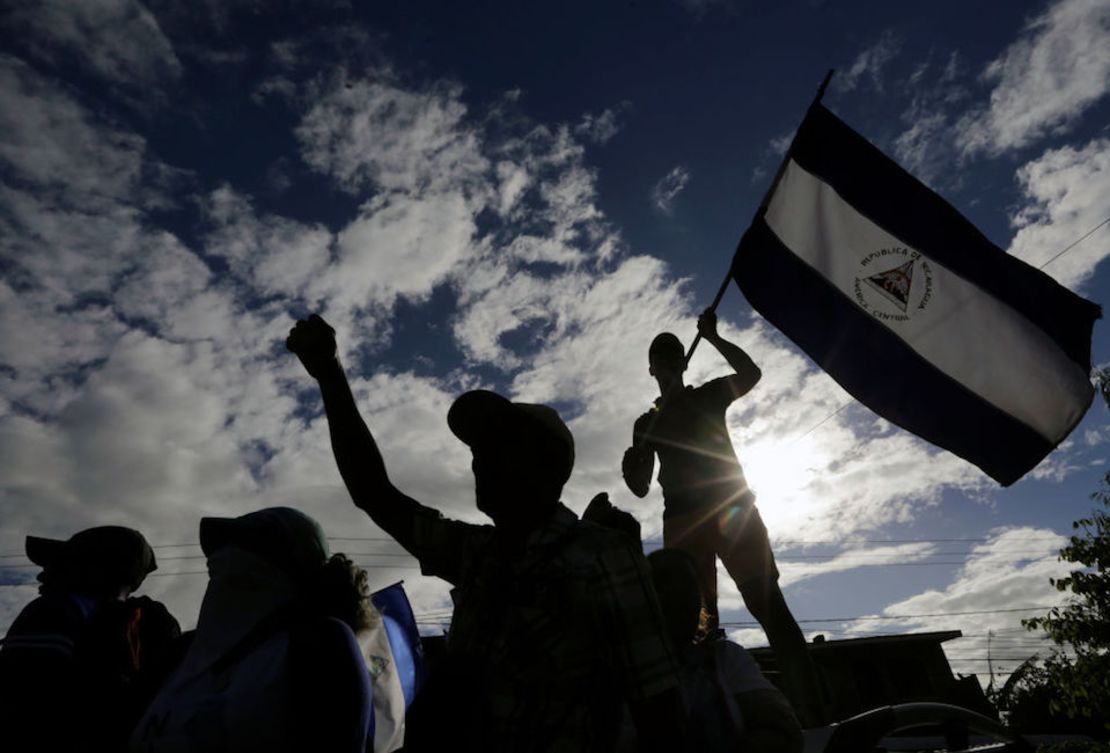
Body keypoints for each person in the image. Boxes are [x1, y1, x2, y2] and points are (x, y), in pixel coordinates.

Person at [287, 313, 685, 753]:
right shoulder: (476, 552)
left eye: (499, 444)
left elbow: (659, 714)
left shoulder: (605, 558)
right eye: (478, 447)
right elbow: (374, 494)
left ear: (546, 465)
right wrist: (329, 372)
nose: (479, 458)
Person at [621, 309, 825, 726]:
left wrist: (712, 336)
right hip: (683, 523)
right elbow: (640, 487)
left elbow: (751, 373)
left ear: (682, 361)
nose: (666, 360)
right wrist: (633, 468)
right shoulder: (646, 423)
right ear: (651, 368)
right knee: (696, 625)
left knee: (769, 607)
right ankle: (713, 721)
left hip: (733, 510)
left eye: (673, 353)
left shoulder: (708, 395)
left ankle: (814, 718)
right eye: (659, 356)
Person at [129, 507, 372, 753]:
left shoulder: (317, 646)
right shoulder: (177, 655)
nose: (220, 567)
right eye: (215, 570)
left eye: (244, 559)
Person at [0, 525, 179, 753]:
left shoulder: (54, 609)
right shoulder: (146, 625)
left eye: (60, 564)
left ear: (95, 569)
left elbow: (20, 704)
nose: (42, 575)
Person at [648, 548, 803, 753]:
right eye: (664, 585)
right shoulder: (618, 671)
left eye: (689, 585)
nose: (680, 595)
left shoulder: (725, 658)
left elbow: (783, 732)